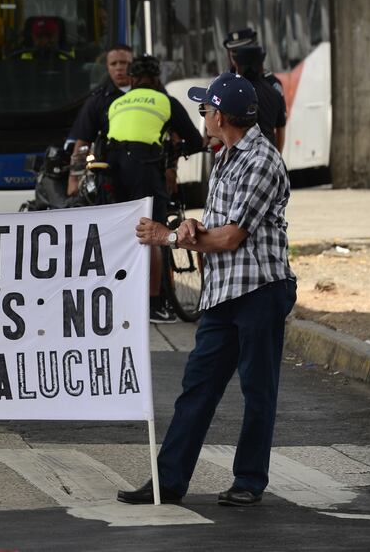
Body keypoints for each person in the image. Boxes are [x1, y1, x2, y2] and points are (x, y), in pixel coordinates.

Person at [119, 71, 296, 508]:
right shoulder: (225, 156)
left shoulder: (261, 161)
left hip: (259, 290)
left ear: (220, 116)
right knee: (197, 388)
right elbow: (218, 227)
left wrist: (168, 236)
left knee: (258, 390)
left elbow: (232, 237)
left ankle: (249, 480)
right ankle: (168, 482)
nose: (202, 116)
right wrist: (192, 227)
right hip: (223, 294)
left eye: (205, 109)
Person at [103, 54, 204, 323]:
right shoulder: (165, 101)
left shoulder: (116, 102)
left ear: (132, 79)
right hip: (143, 167)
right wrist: (177, 151)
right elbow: (195, 141)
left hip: (111, 169)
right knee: (153, 233)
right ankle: (155, 304)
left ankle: (120, 300)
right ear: (157, 78)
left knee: (121, 234)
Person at [66, 43, 134, 195]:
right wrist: (74, 180)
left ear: (133, 65)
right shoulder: (97, 101)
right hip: (111, 173)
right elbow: (82, 143)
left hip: (146, 168)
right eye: (113, 64)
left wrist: (172, 170)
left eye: (124, 63)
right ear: (107, 68)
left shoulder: (150, 93)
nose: (119, 68)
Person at [232, 45, 287, 151]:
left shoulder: (236, 93)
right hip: (269, 151)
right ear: (261, 66)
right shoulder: (275, 93)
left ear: (241, 67)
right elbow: (281, 129)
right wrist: (278, 155)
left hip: (244, 153)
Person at [223, 28, 283, 95]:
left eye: (242, 51)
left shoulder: (270, 82)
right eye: (234, 51)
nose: (237, 56)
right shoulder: (225, 83)